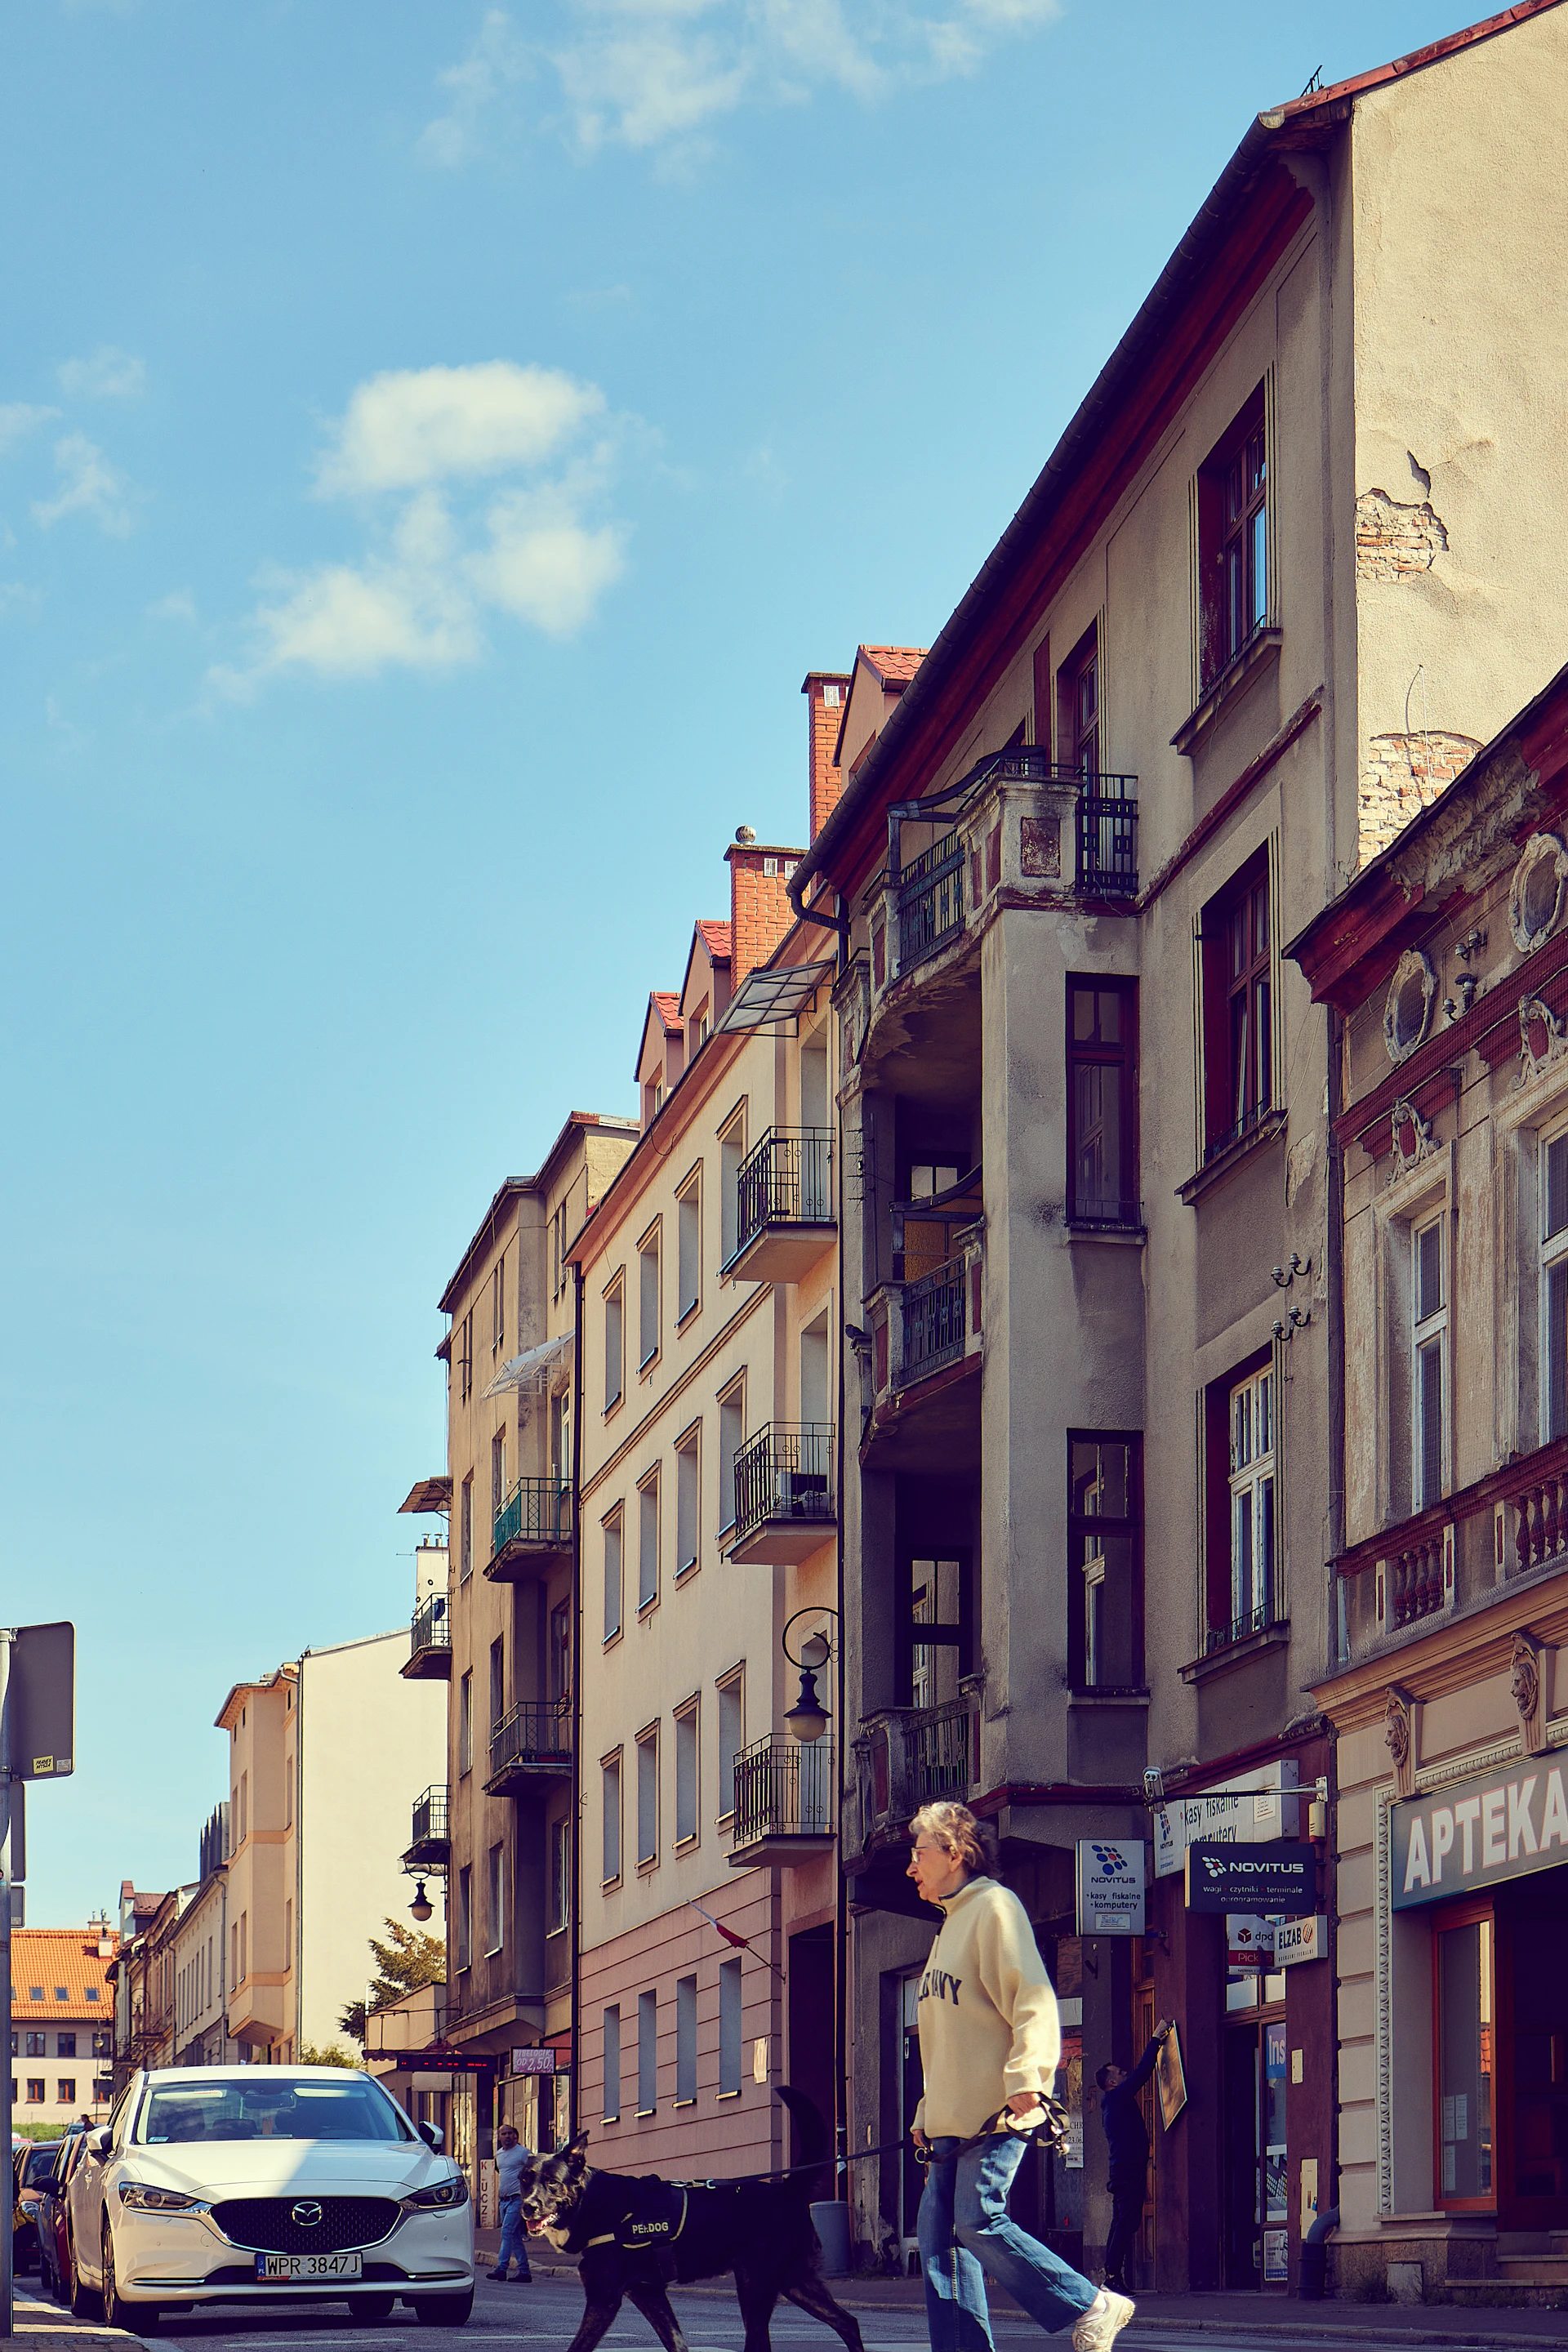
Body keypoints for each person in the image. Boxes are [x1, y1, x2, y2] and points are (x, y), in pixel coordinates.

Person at [907, 1802, 1134, 2352]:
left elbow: (1033, 1999)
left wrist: (1029, 2077)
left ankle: (1091, 2304)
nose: (911, 1868)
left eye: (919, 1853)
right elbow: (948, 2038)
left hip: (999, 2109)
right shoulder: (949, 1925)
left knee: (977, 2220)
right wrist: (924, 2113)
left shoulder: (993, 1908)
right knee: (941, 2243)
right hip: (949, 2121)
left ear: (954, 1853)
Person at [1094, 2024, 1171, 2296]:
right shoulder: (1116, 2098)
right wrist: (1155, 2038)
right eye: (1118, 2073)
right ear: (1112, 2082)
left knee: (1124, 2222)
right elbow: (1141, 2073)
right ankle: (1112, 2277)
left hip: (1126, 2169)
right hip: (1127, 2171)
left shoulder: (1115, 2100)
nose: (1123, 2073)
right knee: (1125, 2222)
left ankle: (1112, 2275)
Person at [489, 2121, 534, 2283]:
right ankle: (524, 2272)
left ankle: (501, 2269)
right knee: (514, 2237)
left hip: (517, 2199)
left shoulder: (523, 2153)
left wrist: (528, 2191)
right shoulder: (499, 2154)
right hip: (504, 2201)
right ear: (499, 2137)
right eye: (504, 2134)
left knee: (506, 2232)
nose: (507, 2136)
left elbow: (534, 2170)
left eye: (510, 2133)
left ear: (515, 2135)